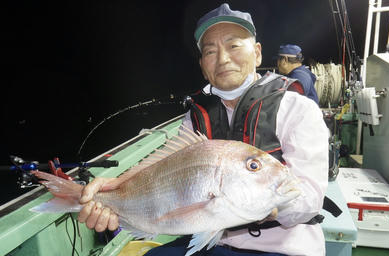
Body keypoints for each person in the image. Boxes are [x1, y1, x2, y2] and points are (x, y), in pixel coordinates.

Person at [78, 3, 329, 256]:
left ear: (257, 53)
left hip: (283, 248)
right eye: (211, 51)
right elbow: (161, 173)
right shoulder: (195, 118)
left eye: (233, 45)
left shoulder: (297, 109)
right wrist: (116, 187)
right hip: (211, 242)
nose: (223, 58)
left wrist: (267, 205)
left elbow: (309, 198)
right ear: (202, 65)